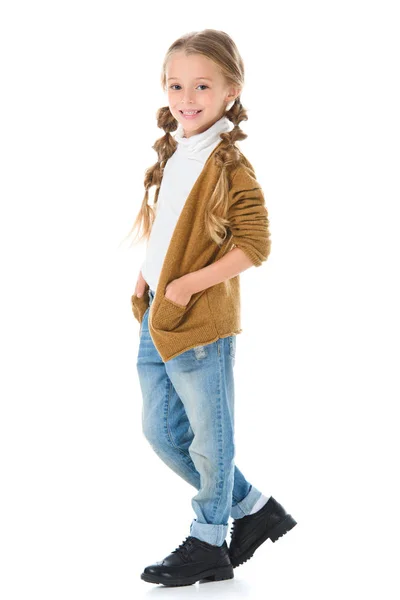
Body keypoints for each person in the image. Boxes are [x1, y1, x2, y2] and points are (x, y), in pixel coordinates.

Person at [126, 29, 297, 587]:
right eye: (176, 85)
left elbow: (255, 244)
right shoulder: (180, 149)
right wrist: (151, 276)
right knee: (162, 433)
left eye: (202, 85)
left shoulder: (228, 164)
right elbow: (176, 226)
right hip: (158, 314)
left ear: (231, 91)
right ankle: (253, 506)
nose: (187, 97)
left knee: (209, 435)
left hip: (196, 320)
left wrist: (186, 286)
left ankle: (208, 540)